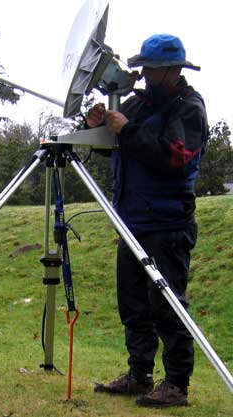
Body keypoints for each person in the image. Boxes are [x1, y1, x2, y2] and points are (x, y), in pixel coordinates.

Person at [85, 34, 208, 408]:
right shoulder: (137, 105)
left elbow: (173, 156)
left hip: (167, 223)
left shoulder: (188, 108)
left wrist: (127, 130)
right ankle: (139, 374)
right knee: (134, 304)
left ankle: (176, 384)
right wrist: (99, 126)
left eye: (152, 70)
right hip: (132, 220)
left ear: (173, 70)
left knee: (167, 305)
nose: (145, 76)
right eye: (143, 69)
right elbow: (119, 149)